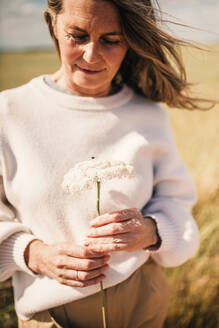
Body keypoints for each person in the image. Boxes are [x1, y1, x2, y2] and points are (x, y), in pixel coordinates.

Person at [0, 0, 206, 327]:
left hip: (144, 305)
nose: (91, 54)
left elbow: (177, 206)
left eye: (112, 40)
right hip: (51, 315)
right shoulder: (8, 112)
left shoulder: (149, 115)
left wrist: (151, 231)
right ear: (53, 25)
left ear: (131, 40)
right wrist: (33, 254)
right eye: (77, 36)